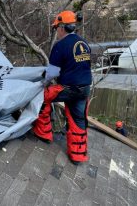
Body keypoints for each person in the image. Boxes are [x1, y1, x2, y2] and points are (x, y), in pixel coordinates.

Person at [32, 10, 91, 164]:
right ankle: (78, 156)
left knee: (41, 97)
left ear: (62, 27)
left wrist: (42, 84)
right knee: (78, 119)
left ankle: (44, 134)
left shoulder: (61, 46)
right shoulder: (83, 43)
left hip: (68, 88)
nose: (56, 31)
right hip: (84, 88)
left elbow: (52, 73)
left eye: (56, 28)